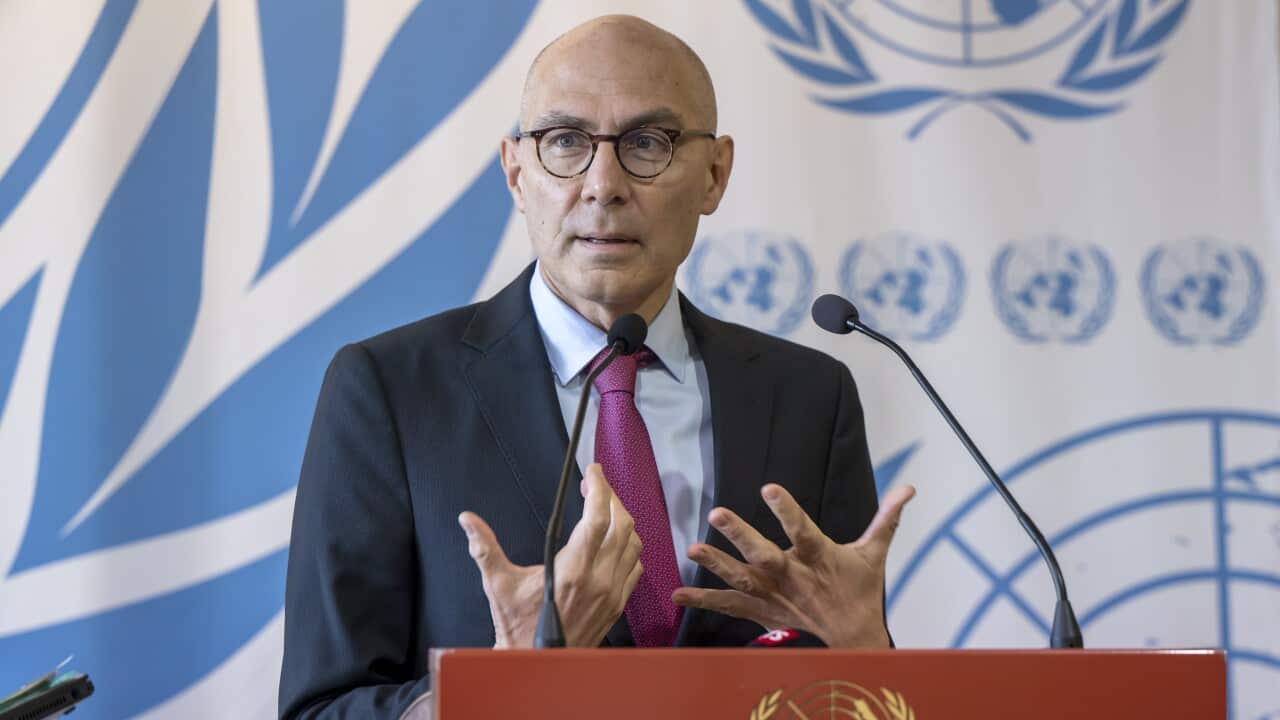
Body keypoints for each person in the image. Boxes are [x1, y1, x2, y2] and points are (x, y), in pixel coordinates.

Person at [278, 14, 914, 720]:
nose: (603, 184)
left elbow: (850, 693)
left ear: (714, 174)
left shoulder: (807, 397)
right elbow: (320, 708)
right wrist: (500, 683)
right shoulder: (391, 392)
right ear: (516, 172)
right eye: (565, 143)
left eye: (649, 142)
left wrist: (868, 648)